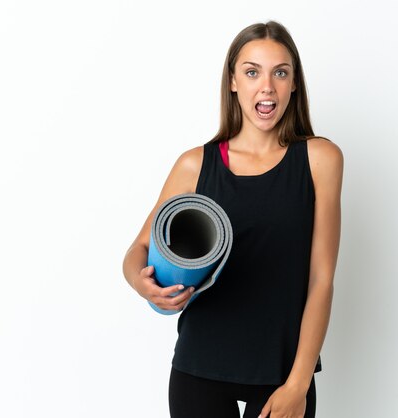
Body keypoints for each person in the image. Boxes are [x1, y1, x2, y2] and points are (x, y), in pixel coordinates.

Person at [122, 20, 343, 418]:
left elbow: (321, 278)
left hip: (282, 375)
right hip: (199, 367)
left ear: (294, 83)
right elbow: (138, 249)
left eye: (280, 72)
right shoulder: (195, 164)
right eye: (252, 71)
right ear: (233, 82)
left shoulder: (320, 159)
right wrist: (143, 285)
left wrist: (298, 384)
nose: (267, 86)